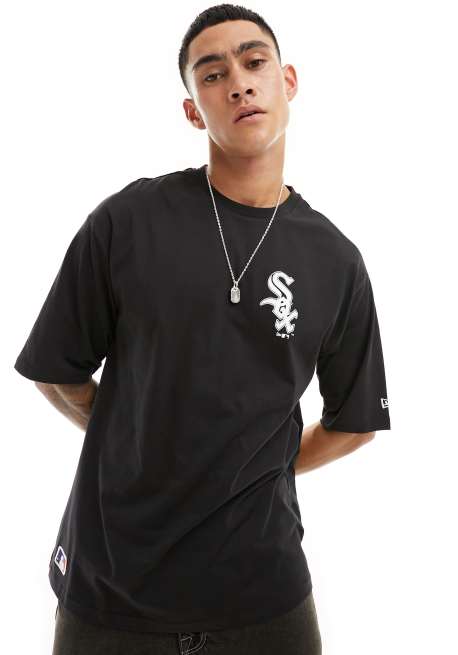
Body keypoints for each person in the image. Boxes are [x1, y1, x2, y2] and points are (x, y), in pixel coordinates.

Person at [14, 4, 391, 654]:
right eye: (213, 75)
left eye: (254, 62)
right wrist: (140, 441)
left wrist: (254, 467)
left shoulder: (335, 260)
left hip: (264, 596)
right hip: (113, 589)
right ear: (193, 110)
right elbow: (56, 369)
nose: (238, 84)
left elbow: (354, 421)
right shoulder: (128, 221)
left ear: (287, 81)